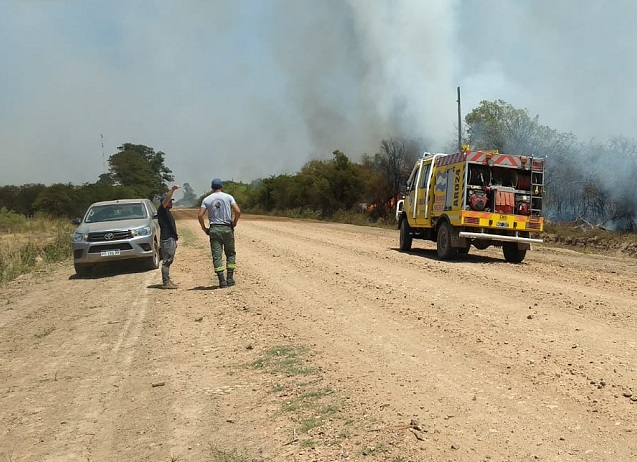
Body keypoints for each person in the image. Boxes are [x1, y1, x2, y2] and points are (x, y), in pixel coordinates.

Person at [198, 178, 241, 288]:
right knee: (230, 253)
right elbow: (238, 211)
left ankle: (221, 281)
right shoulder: (228, 197)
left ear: (212, 188)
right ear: (221, 186)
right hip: (227, 228)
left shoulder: (206, 199)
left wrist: (204, 228)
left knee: (217, 255)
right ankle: (230, 279)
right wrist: (234, 222)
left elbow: (200, 215)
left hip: (214, 229)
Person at [158, 185, 180, 289]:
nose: (171, 202)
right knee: (167, 261)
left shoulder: (167, 212)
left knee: (168, 260)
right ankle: (166, 283)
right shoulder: (162, 210)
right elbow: (166, 200)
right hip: (167, 240)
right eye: (170, 201)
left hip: (170, 239)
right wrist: (172, 190)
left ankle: (167, 280)